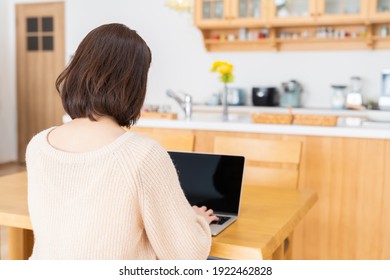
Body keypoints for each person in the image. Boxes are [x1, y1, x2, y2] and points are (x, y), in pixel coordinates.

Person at [26, 23, 218, 260]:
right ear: (134, 85)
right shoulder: (143, 155)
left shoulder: (37, 145)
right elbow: (186, 255)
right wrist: (196, 219)